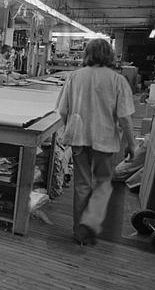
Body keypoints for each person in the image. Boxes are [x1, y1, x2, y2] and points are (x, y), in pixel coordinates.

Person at [56, 38, 136, 245]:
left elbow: (63, 110)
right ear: (110, 55)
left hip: (79, 138)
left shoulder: (74, 77)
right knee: (101, 184)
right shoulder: (118, 80)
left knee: (81, 185)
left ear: (87, 54)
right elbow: (125, 117)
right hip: (105, 140)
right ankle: (91, 230)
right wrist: (131, 144)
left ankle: (79, 233)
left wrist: (69, 128)